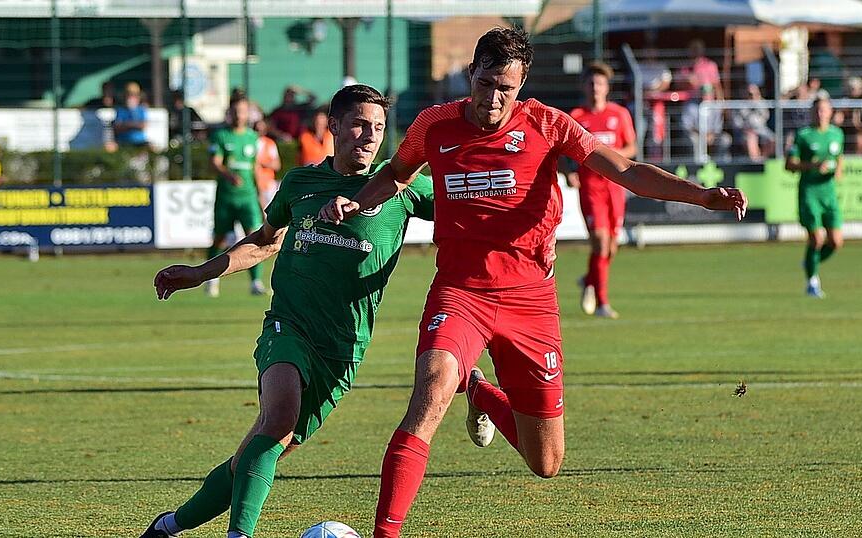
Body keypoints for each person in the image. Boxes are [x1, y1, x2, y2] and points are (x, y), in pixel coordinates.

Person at [319, 27, 746, 538]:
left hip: (531, 301)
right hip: (460, 292)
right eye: (487, 83)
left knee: (545, 462)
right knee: (429, 397)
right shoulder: (434, 125)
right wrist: (358, 200)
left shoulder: (548, 123)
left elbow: (626, 170)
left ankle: (478, 391)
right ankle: (384, 533)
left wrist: (701, 196)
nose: (495, 99)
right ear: (471, 72)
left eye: (507, 88)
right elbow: (397, 173)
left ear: (521, 85)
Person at [141, 84, 433, 538]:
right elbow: (264, 241)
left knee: (257, 455)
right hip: (289, 324)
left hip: (343, 349)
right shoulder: (302, 183)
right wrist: (202, 273)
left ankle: (168, 526)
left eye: (377, 127)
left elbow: (472, 204)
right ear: (332, 126)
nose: (369, 136)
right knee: (278, 419)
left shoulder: (404, 188)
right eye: (357, 124)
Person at [567, 61, 637, 319]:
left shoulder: (619, 114)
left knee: (611, 248)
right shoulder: (577, 117)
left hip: (615, 187)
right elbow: (562, 152)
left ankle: (589, 279)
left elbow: (632, 148)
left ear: (607, 87)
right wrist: (569, 172)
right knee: (600, 241)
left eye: (599, 83)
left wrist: (612, 156)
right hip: (591, 187)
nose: (595, 87)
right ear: (584, 86)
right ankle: (602, 303)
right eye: (591, 83)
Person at [205, 96, 266, 297]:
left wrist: (261, 196)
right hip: (226, 197)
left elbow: (256, 168)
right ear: (229, 114)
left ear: (247, 114)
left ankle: (256, 282)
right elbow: (215, 162)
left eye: (242, 111)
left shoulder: (252, 138)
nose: (239, 115)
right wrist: (228, 175)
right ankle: (211, 278)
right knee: (220, 239)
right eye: (235, 111)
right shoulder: (221, 136)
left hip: (247, 196)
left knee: (254, 237)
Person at [786, 96, 844, 298]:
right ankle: (812, 283)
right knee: (817, 239)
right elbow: (789, 164)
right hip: (809, 192)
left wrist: (838, 172)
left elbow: (839, 158)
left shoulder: (837, 134)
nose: (821, 114)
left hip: (828, 194)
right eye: (817, 110)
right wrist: (812, 166)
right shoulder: (803, 135)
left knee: (836, 242)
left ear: (830, 112)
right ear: (812, 112)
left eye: (824, 110)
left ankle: (812, 262)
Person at [682, 83, 732, 161]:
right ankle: (697, 165)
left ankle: (721, 164)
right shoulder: (691, 106)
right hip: (697, 134)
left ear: (712, 94)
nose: (706, 95)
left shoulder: (716, 107)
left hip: (712, 135)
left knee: (725, 139)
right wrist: (702, 135)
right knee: (694, 139)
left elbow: (718, 127)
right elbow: (687, 126)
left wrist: (711, 135)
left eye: (709, 93)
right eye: (704, 93)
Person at [732, 84, 775, 162]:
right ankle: (755, 163)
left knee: (773, 139)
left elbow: (765, 118)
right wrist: (747, 128)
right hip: (745, 132)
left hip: (761, 130)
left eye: (755, 93)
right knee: (751, 138)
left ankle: (763, 159)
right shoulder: (739, 105)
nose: (752, 96)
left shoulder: (762, 103)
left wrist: (756, 103)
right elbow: (737, 123)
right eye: (750, 94)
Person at [254, 118, 282, 209]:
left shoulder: (270, 143)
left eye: (262, 129)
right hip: (253, 184)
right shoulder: (250, 142)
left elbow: (277, 165)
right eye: (257, 129)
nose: (259, 132)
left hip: (268, 184)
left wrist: (262, 163)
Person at [114, 82, 150, 148]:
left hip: (140, 142)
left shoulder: (141, 109)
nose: (131, 97)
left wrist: (127, 124)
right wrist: (134, 125)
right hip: (124, 142)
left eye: (134, 95)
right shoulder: (120, 110)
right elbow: (117, 127)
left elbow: (143, 125)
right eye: (129, 95)